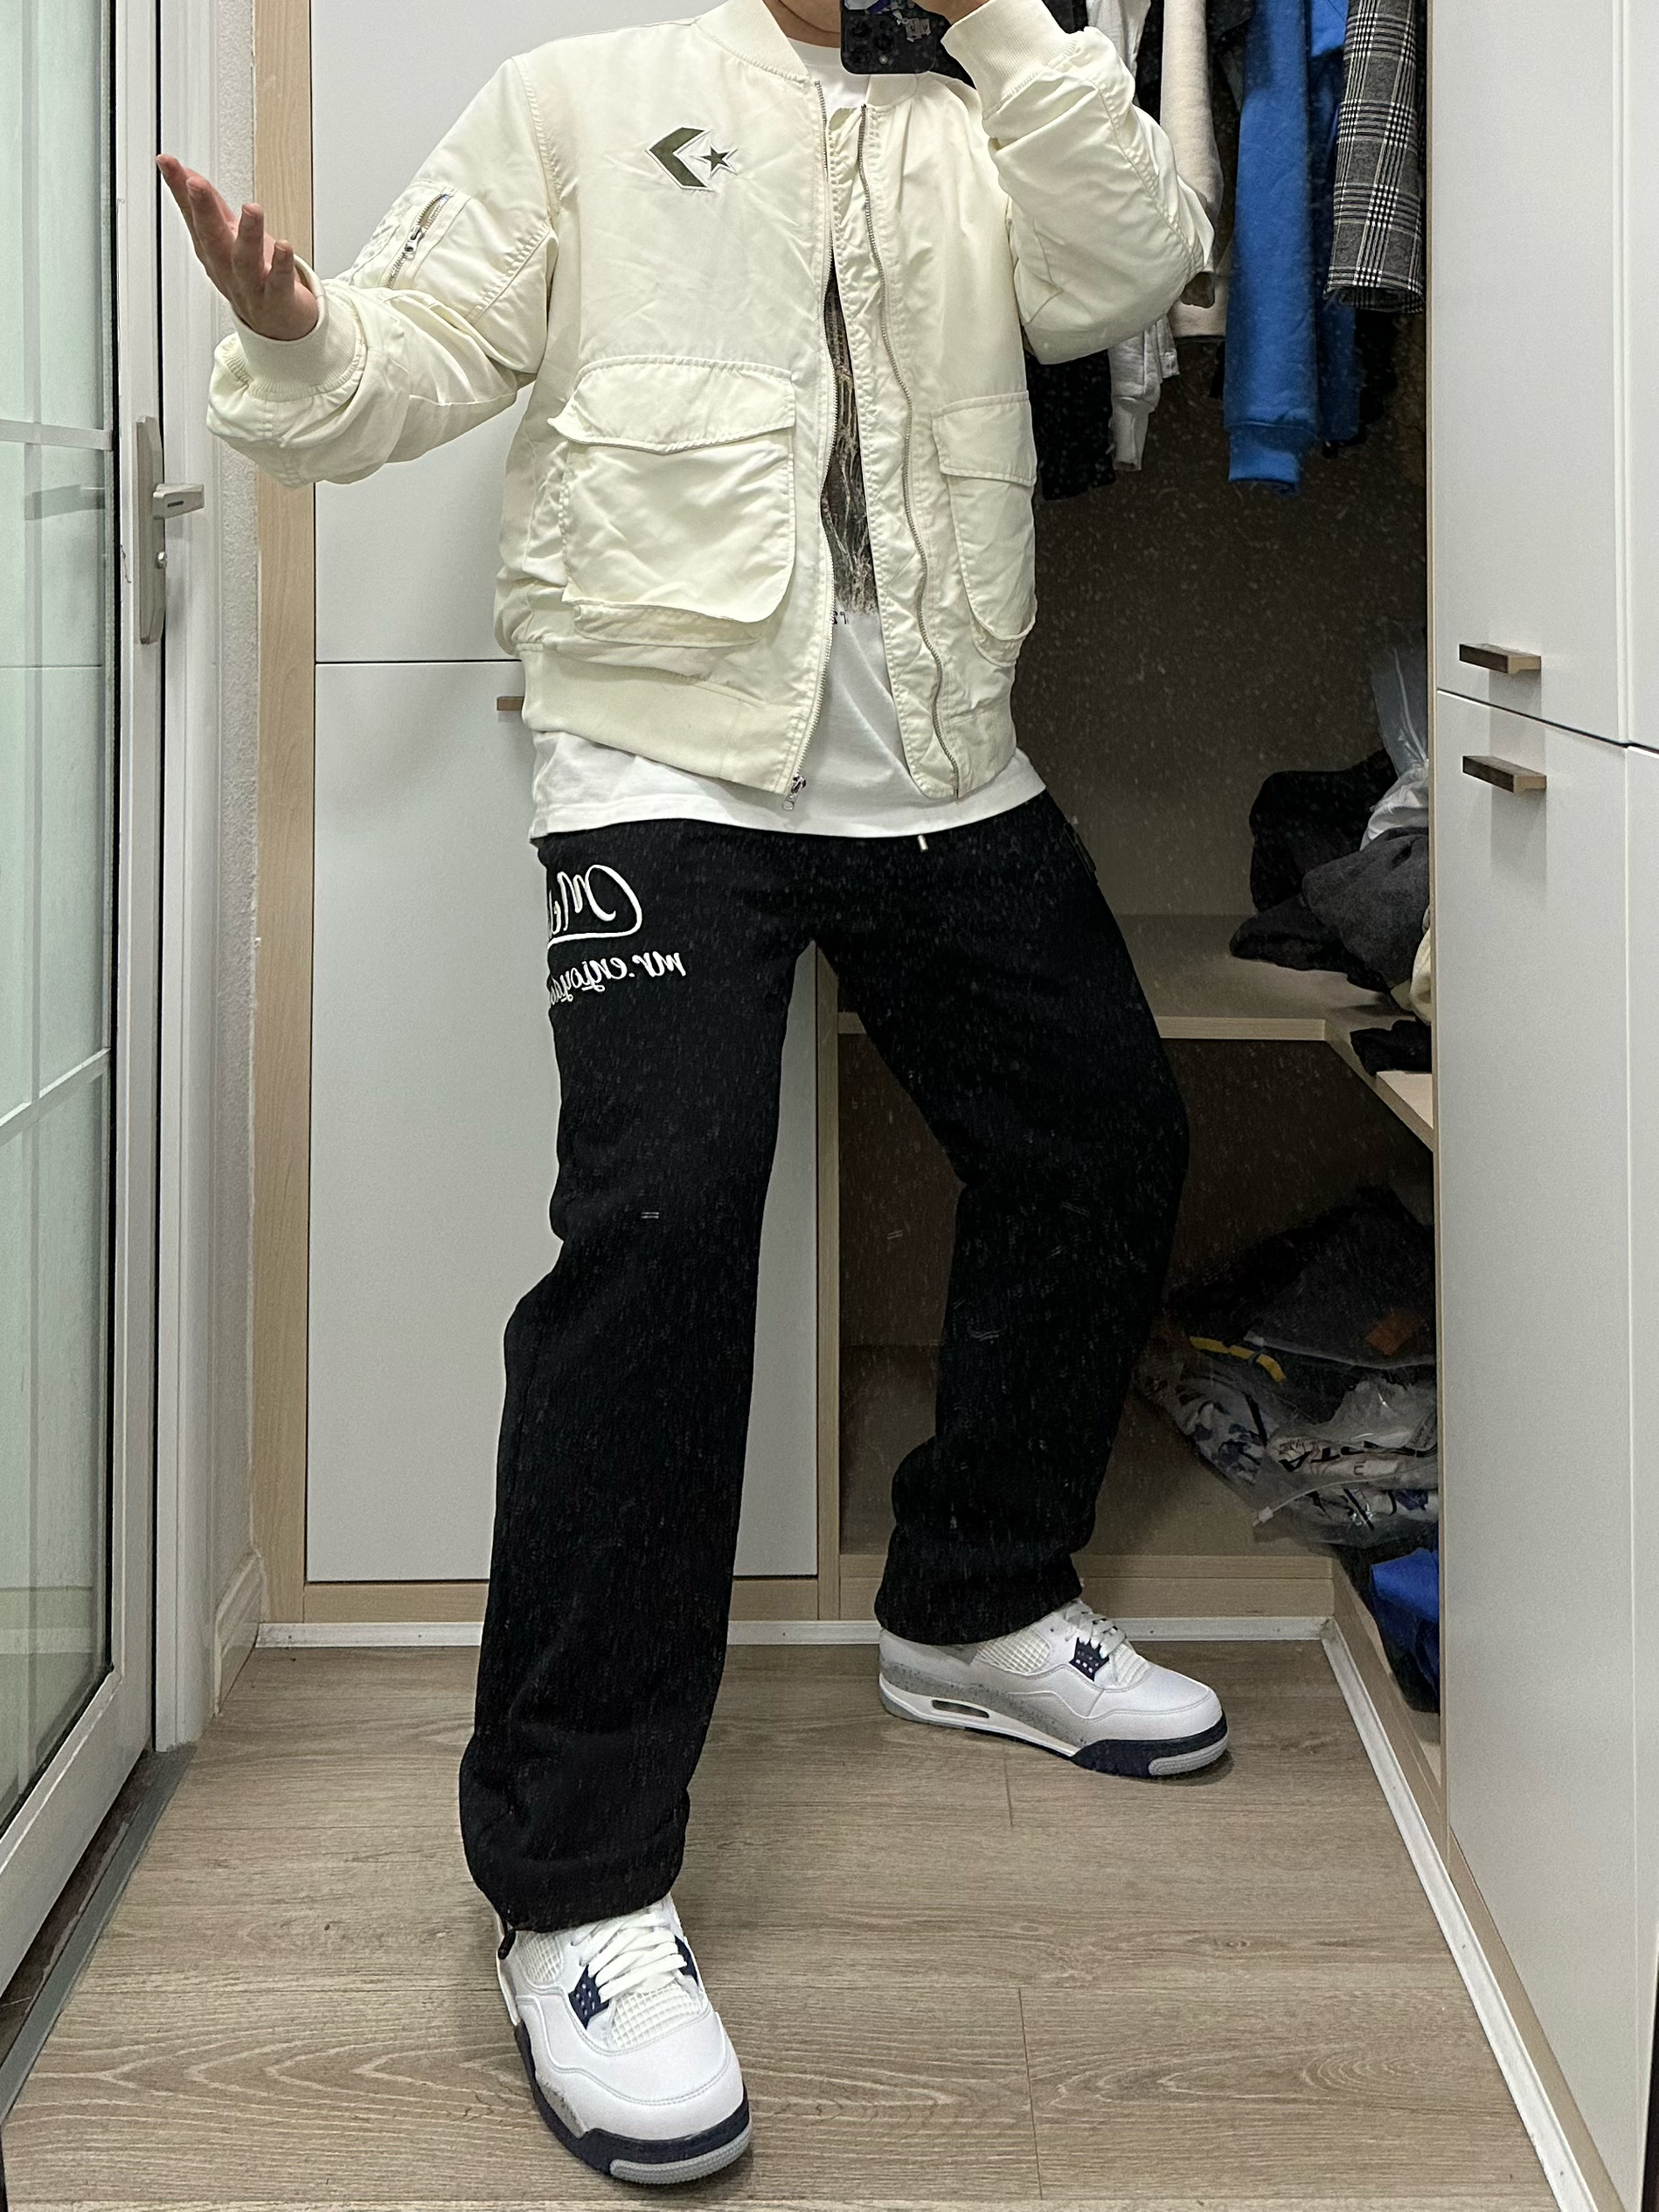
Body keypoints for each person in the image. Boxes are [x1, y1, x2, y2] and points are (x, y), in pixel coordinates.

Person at [163, 0, 1220, 2183]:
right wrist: (292, 330)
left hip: (945, 758)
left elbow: (1127, 268)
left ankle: (974, 1598)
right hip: (659, 763)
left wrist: (1007, 22)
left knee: (1102, 1135)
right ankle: (572, 1885)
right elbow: (406, 362)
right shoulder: (579, 96)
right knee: (656, 1235)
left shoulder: (997, 100)